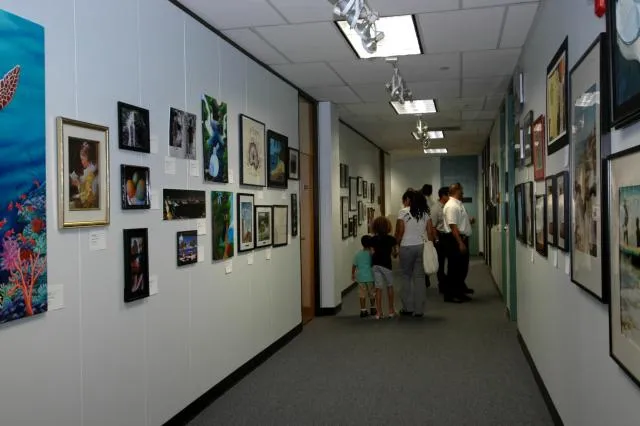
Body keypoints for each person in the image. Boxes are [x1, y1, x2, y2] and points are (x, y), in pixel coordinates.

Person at [395, 190, 434, 318]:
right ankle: (419, 310)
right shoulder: (426, 214)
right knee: (419, 278)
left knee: (406, 277)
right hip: (421, 246)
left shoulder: (403, 212)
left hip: (406, 247)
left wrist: (396, 246)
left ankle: (408, 308)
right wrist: (430, 246)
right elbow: (430, 233)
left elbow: (400, 232)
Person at [442, 183, 474, 303]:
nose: (463, 192)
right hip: (455, 240)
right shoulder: (451, 206)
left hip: (460, 238)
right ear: (456, 190)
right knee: (454, 269)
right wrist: (460, 243)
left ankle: (459, 292)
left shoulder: (457, 204)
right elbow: (453, 226)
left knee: (461, 268)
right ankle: (451, 295)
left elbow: (458, 222)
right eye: (461, 190)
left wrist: (468, 221)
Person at [371, 216, 397, 319]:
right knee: (390, 286)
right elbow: (395, 253)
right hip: (386, 265)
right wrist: (395, 254)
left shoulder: (373, 239)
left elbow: (372, 251)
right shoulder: (391, 239)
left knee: (378, 288)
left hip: (376, 264)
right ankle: (391, 310)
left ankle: (379, 312)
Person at [430, 187, 450, 294]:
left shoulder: (448, 206)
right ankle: (442, 285)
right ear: (443, 196)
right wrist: (436, 239)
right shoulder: (435, 208)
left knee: (451, 261)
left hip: (449, 236)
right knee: (441, 263)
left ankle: (450, 283)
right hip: (441, 237)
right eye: (448, 195)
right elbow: (433, 226)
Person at [352, 235, 376, 318]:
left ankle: (363, 310)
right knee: (372, 293)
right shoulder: (372, 254)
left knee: (362, 294)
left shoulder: (358, 254)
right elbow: (374, 264)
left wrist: (352, 274)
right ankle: (373, 308)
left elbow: (354, 265)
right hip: (370, 277)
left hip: (361, 278)